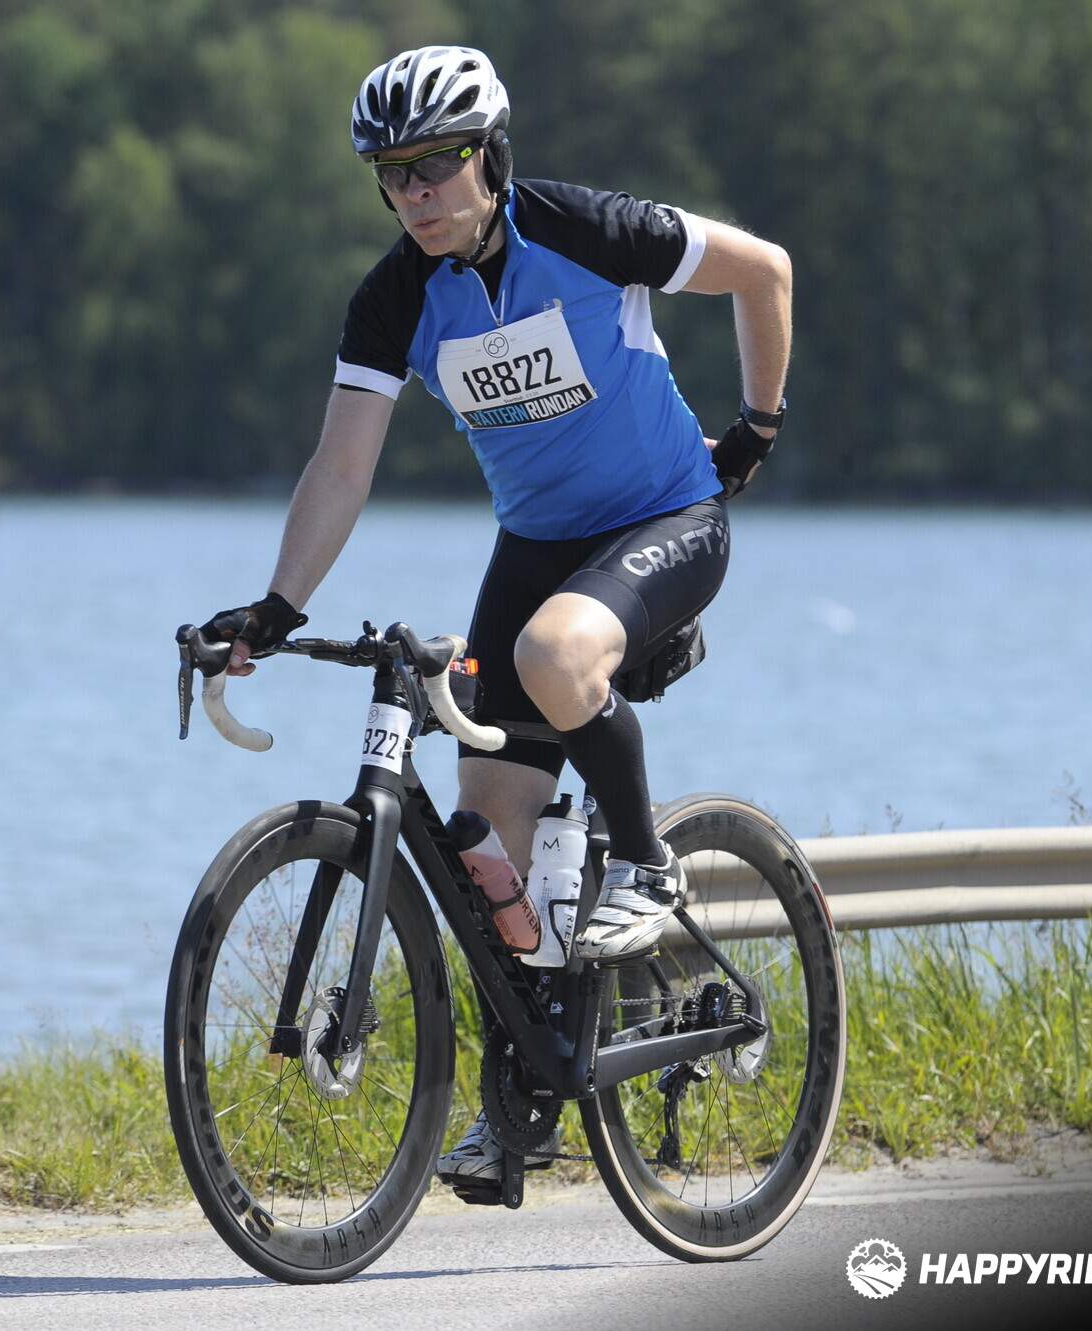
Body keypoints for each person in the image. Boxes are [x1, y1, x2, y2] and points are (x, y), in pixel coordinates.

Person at [198, 46, 789, 1191]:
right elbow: (340, 466)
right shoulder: (394, 299)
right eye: (392, 174)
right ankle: (524, 1095)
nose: (414, 192)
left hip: (664, 517)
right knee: (483, 843)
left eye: (437, 165)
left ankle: (649, 867)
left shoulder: (585, 230)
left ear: (490, 156)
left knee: (552, 653)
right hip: (535, 548)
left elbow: (762, 271)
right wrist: (275, 608)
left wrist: (755, 429)